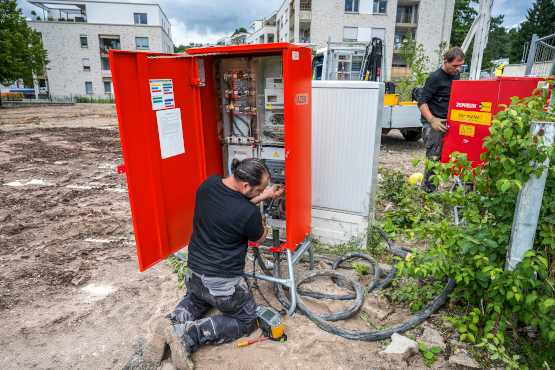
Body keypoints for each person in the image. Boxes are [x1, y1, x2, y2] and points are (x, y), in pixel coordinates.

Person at [125, 158, 283, 370]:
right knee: (245, 320)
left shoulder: (209, 184)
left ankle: (171, 321)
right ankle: (187, 335)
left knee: (199, 299)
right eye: (258, 190)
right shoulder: (249, 215)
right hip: (222, 282)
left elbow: (234, 206)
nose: (259, 193)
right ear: (245, 186)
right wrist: (260, 221)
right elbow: (260, 237)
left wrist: (265, 194)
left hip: (195, 273)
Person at [418, 46, 466, 193]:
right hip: (434, 123)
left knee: (447, 156)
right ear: (445, 62)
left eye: (460, 65)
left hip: (448, 121)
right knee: (433, 157)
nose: (458, 69)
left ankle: (426, 185)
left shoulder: (455, 75)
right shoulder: (435, 77)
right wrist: (432, 120)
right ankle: (430, 191)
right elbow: (422, 102)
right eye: (455, 66)